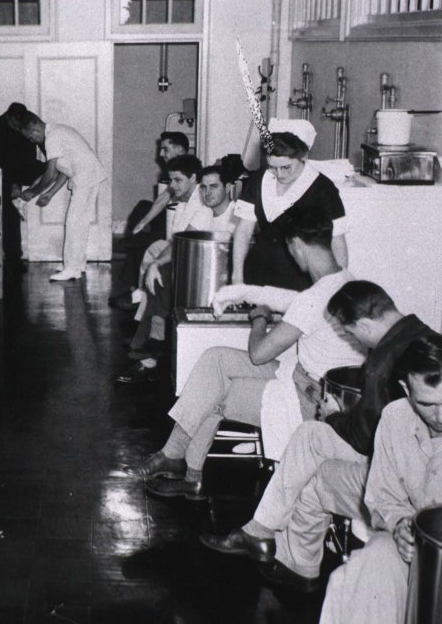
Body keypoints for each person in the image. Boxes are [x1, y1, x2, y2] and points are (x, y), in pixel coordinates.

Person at [199, 281, 436, 593]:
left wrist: (333, 415)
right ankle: (263, 533)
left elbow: (365, 437)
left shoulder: (382, 360)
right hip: (415, 457)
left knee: (313, 461)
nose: (354, 340)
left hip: (401, 473)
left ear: (363, 324)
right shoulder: (425, 335)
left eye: (351, 333)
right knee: (309, 436)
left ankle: (289, 557)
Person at [134, 207, 364, 499]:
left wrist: (260, 320)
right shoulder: (345, 280)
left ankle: (189, 474)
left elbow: (259, 354)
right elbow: (296, 303)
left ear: (296, 245)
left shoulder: (314, 298)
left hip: (308, 399)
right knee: (215, 359)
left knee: (215, 394)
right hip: (312, 381)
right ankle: (174, 457)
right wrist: (248, 294)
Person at [319, 334, 442, 624]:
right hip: (417, 548)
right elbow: (383, 497)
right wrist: (400, 525)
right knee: (359, 570)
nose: (441, 416)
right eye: (427, 404)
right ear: (405, 389)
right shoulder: (395, 418)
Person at [116, 163, 239, 384]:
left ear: (228, 187)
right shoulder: (205, 212)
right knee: (161, 272)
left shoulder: (238, 215)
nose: (207, 193)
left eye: (214, 187)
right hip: (202, 272)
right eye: (204, 187)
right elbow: (178, 243)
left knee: (166, 280)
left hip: (224, 279)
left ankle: (152, 351)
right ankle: (154, 345)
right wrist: (156, 263)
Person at [232, 131, 348, 291]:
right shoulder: (259, 180)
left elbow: (337, 241)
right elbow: (243, 231)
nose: (280, 174)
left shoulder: (323, 189)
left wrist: (338, 287)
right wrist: (237, 277)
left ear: (303, 158)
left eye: (286, 167)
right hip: (257, 271)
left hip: (299, 280)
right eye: (273, 167)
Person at [15, 109, 108, 282]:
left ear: (35, 129)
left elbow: (50, 174)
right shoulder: (56, 133)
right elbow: (62, 170)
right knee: (78, 221)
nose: (32, 141)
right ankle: (77, 264)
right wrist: (49, 193)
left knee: (74, 221)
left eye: (30, 137)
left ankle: (72, 267)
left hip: (86, 176)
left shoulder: (52, 137)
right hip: (85, 175)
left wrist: (33, 192)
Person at [109, 132, 191, 308]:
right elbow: (163, 198)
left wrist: (143, 224)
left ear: (179, 149)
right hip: (172, 216)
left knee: (143, 241)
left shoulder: (188, 171)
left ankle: (136, 291)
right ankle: (134, 287)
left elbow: (167, 201)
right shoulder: (176, 170)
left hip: (184, 224)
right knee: (143, 208)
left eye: (165, 149)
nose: (161, 154)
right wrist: (142, 223)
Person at [0, 103, 47, 269]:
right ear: (9, 117)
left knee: (53, 170)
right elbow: (3, 162)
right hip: (8, 171)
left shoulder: (29, 120)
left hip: (27, 164)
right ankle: (13, 257)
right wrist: (15, 185)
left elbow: (43, 140)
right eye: (16, 124)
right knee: (9, 207)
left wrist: (53, 159)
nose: (19, 127)